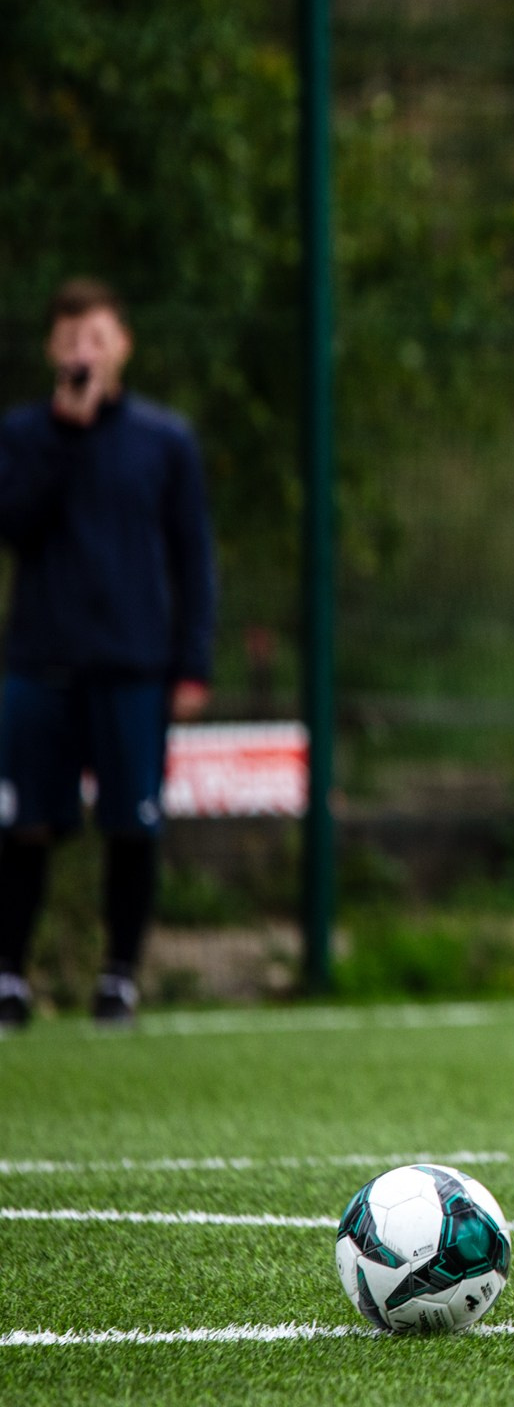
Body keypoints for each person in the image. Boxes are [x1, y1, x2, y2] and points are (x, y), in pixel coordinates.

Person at [0, 279, 215, 1031]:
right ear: (52, 351)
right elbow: (15, 523)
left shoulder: (164, 441)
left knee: (132, 822)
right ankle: (10, 979)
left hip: (133, 665)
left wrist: (193, 661)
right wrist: (67, 433)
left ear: (122, 342)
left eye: (94, 337)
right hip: (40, 663)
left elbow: (194, 558)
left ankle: (118, 978)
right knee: (22, 823)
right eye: (68, 340)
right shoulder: (23, 437)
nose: (81, 352)